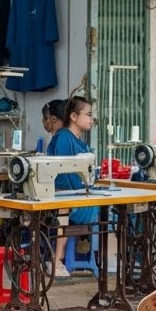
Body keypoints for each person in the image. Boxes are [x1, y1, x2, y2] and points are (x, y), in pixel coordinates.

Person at [47, 96, 96, 274]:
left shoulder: (79, 141)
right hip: (63, 193)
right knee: (65, 208)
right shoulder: (64, 138)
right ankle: (57, 259)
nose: (91, 119)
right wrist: (83, 191)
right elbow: (64, 172)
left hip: (77, 192)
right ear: (74, 116)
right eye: (88, 114)